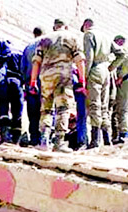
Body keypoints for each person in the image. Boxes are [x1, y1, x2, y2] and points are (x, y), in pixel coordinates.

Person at [29, 19, 86, 152]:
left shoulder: (44, 39)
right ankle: (59, 142)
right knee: (63, 108)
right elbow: (80, 60)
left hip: (46, 77)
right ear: (66, 27)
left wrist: (33, 82)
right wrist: (82, 80)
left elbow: (36, 62)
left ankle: (44, 140)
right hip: (62, 76)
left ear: (54, 27)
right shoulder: (72, 37)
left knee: (46, 109)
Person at [81, 18, 113, 148]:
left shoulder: (89, 34)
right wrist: (111, 67)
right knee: (104, 106)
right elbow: (121, 53)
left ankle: (95, 140)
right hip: (106, 71)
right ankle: (107, 139)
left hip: (95, 70)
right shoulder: (106, 37)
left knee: (94, 105)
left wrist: (84, 77)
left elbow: (89, 57)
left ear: (85, 26)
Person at [21, 27, 43, 146]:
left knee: (32, 111)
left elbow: (23, 67)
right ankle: (45, 138)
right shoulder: (46, 45)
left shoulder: (28, 47)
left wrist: (26, 82)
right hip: (44, 81)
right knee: (46, 110)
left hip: (31, 83)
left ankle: (34, 138)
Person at [5, 48, 25, 144]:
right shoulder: (21, 53)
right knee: (17, 112)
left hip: (4, 82)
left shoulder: (4, 53)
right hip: (17, 82)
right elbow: (25, 69)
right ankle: (15, 139)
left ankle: (5, 136)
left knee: (3, 110)